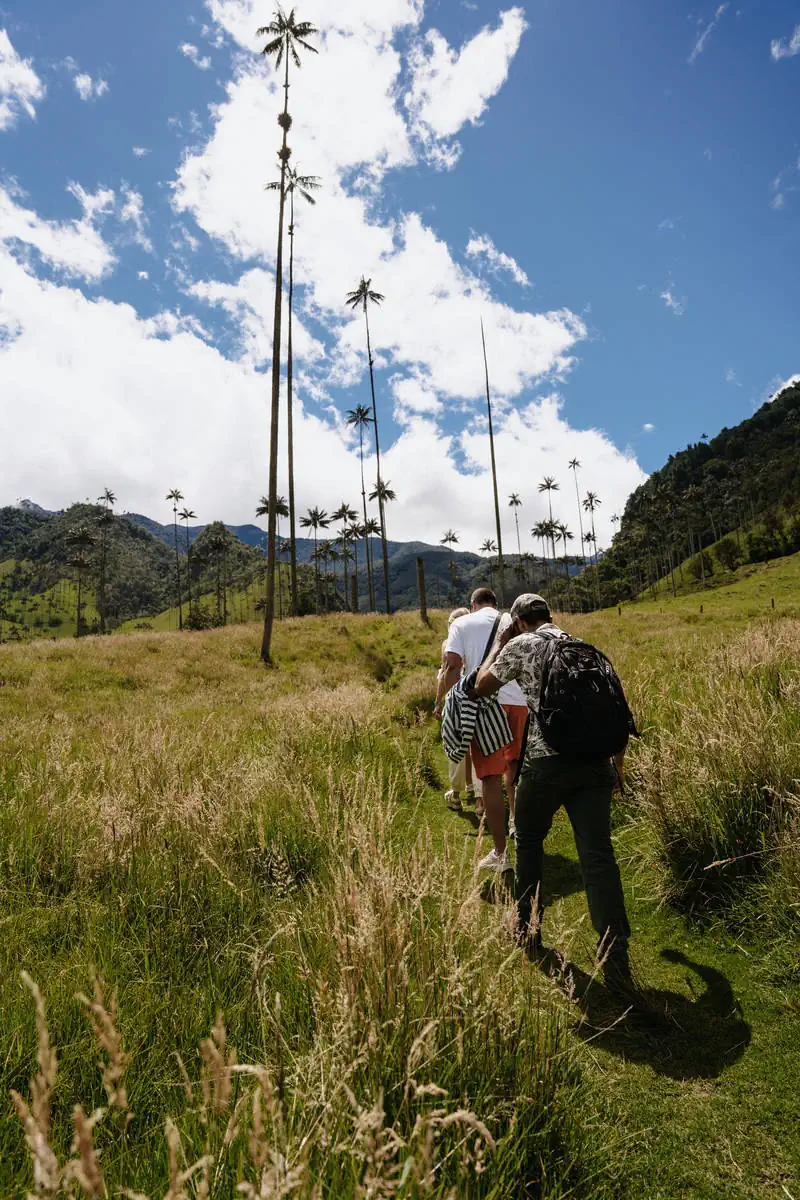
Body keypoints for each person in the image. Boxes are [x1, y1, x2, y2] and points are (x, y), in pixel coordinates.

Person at [472, 593, 633, 988]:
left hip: (546, 765)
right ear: (548, 616)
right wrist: (616, 767)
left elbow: (479, 685)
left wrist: (500, 642)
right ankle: (615, 954)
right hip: (595, 764)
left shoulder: (521, 645)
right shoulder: (580, 647)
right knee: (598, 855)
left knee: (528, 841)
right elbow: (618, 708)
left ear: (518, 620)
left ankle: (527, 927)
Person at [434, 588, 528, 872]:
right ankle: (516, 823)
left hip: (486, 704)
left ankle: (501, 854)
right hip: (519, 702)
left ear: (472, 605)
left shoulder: (460, 624)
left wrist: (445, 703)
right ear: (496, 604)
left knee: (489, 778)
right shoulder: (510, 621)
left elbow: (451, 668)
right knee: (516, 766)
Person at [437, 607, 480, 811]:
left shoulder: (448, 645)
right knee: (477, 746)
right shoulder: (476, 642)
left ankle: (456, 794)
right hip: (476, 697)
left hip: (455, 701)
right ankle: (479, 796)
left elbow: (444, 675)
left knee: (456, 746)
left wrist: (439, 702)